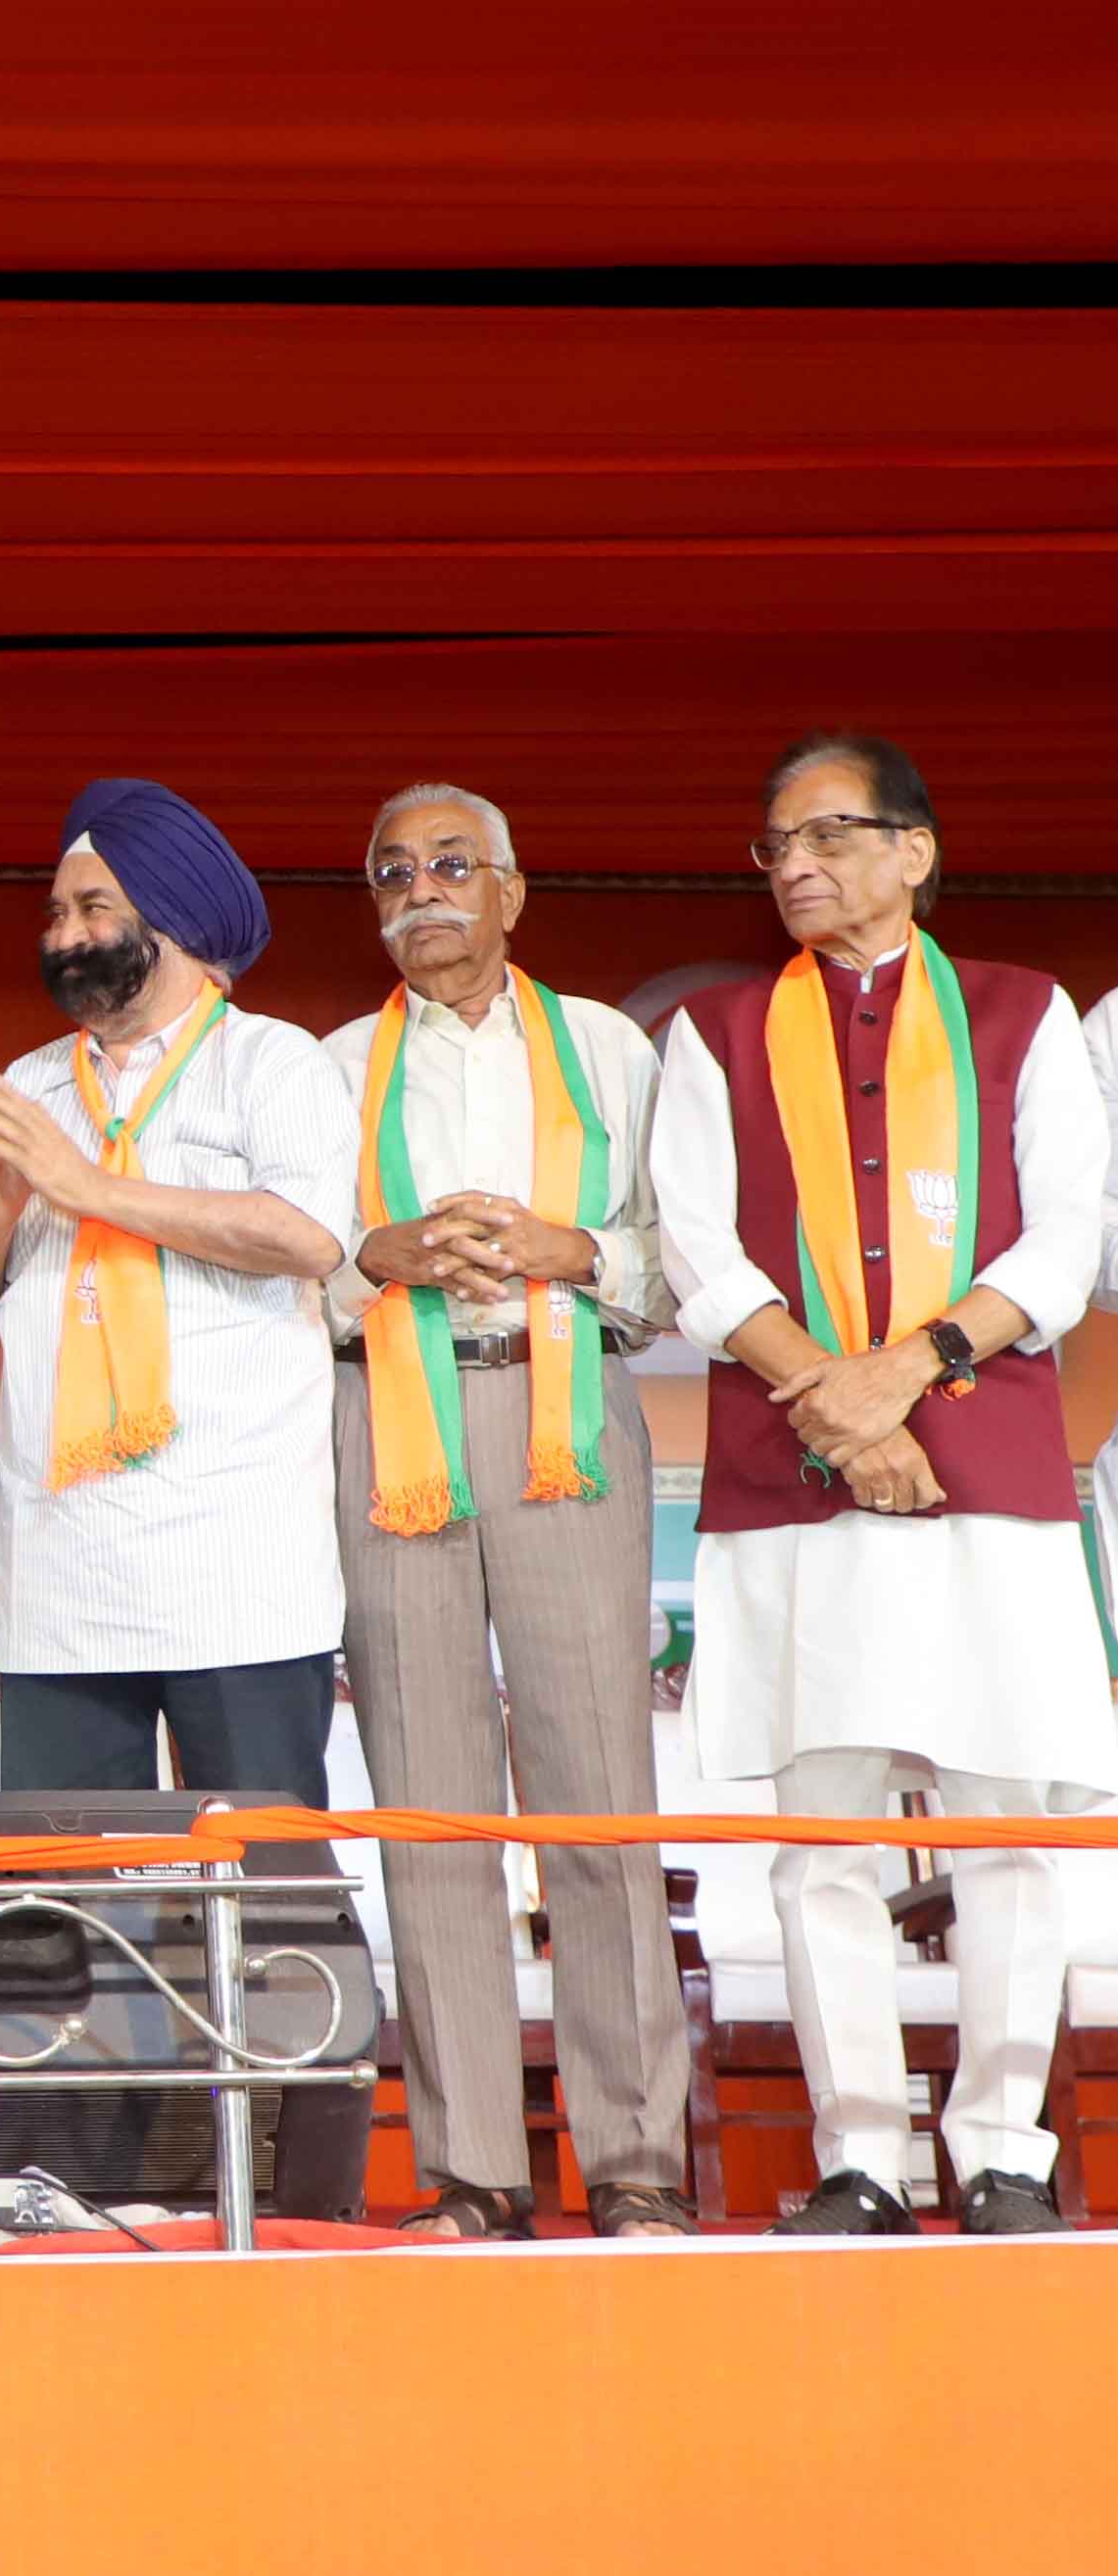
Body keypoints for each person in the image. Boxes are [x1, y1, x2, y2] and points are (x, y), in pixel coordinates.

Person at [653, 732, 1111, 2236]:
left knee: (1004, 1826)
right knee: (824, 1835)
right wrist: (842, 1411)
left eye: (828, 835)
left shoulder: (1021, 1014)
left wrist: (903, 1366)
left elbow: (1059, 1246)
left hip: (986, 1471)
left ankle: (999, 2150)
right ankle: (855, 2154)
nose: (793, 864)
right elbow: (697, 1257)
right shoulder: (714, 1033)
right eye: (772, 843)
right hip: (795, 1482)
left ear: (914, 850)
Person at [316, 788, 698, 2241]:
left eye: (450, 865)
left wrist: (569, 1244)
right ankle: (472, 2169)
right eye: (392, 872)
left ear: (512, 891)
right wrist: (377, 1253)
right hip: (392, 1416)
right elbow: (288, 1273)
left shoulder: (607, 1046)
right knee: (428, 1799)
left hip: (567, 1421)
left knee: (595, 1789)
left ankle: (634, 2163)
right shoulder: (332, 1067)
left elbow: (683, 1259)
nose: (422, 891)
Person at [0, 781, 356, 1804]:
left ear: (176, 919)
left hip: (239, 1572)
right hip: (63, 1577)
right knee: (63, 1907)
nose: (67, 935)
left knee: (260, 1891)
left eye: (94, 908)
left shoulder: (272, 1062)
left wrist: (91, 1189)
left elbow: (308, 1235)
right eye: (57, 913)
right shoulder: (30, 1087)